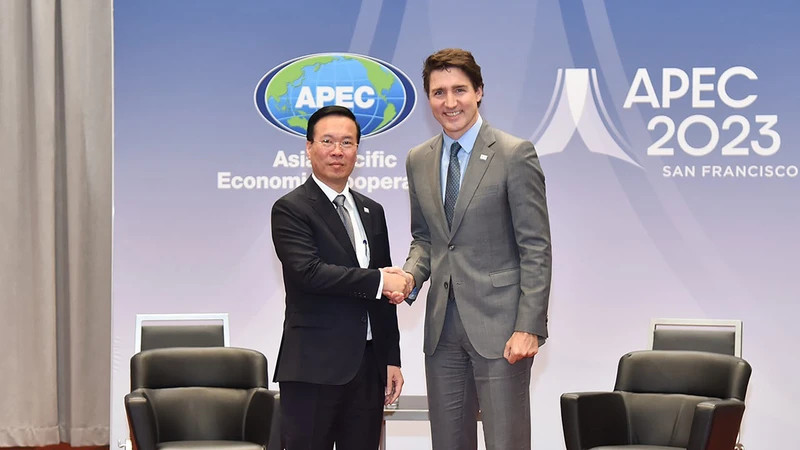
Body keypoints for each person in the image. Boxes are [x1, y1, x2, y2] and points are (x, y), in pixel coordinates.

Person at [395, 48, 552, 450]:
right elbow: (426, 238)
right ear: (428, 98)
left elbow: (535, 247)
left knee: (506, 442)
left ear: (479, 91)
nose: (450, 102)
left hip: (502, 330)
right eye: (438, 92)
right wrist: (411, 275)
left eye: (459, 90)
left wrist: (529, 325)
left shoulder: (515, 153)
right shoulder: (418, 159)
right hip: (441, 330)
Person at [271, 105, 406, 450]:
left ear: (357, 151)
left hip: (368, 368)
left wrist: (391, 357)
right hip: (313, 369)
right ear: (309, 147)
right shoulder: (291, 208)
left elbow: (385, 293)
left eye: (347, 142)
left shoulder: (371, 211)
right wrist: (378, 281)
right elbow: (309, 273)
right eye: (328, 141)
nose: (337, 151)